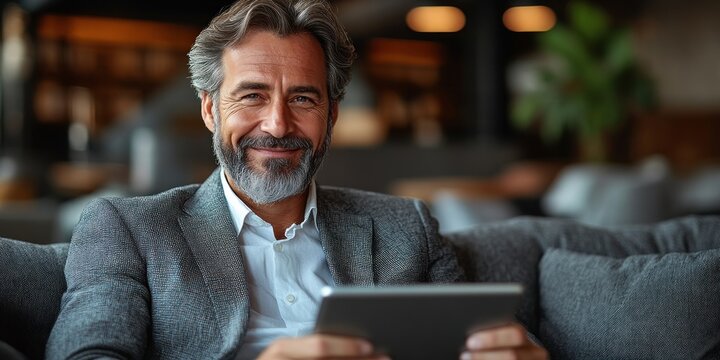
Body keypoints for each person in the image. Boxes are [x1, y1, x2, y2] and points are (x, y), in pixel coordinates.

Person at [47, 0, 548, 359]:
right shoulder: (127, 228)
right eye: (251, 97)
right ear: (208, 110)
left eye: (304, 99)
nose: (279, 125)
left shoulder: (406, 225)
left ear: (331, 116)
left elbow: (472, 338)